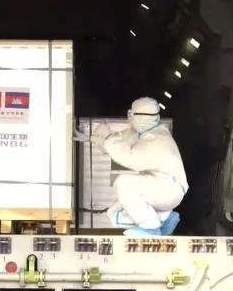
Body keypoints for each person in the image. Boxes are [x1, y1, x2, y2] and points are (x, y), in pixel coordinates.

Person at [80, 97, 187, 236]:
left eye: (133, 114)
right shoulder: (153, 132)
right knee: (116, 209)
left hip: (167, 190)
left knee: (124, 183)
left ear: (140, 116)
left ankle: (151, 228)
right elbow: (126, 138)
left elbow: (129, 157)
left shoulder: (156, 139)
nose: (130, 117)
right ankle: (165, 218)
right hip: (165, 188)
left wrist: (108, 138)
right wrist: (96, 139)